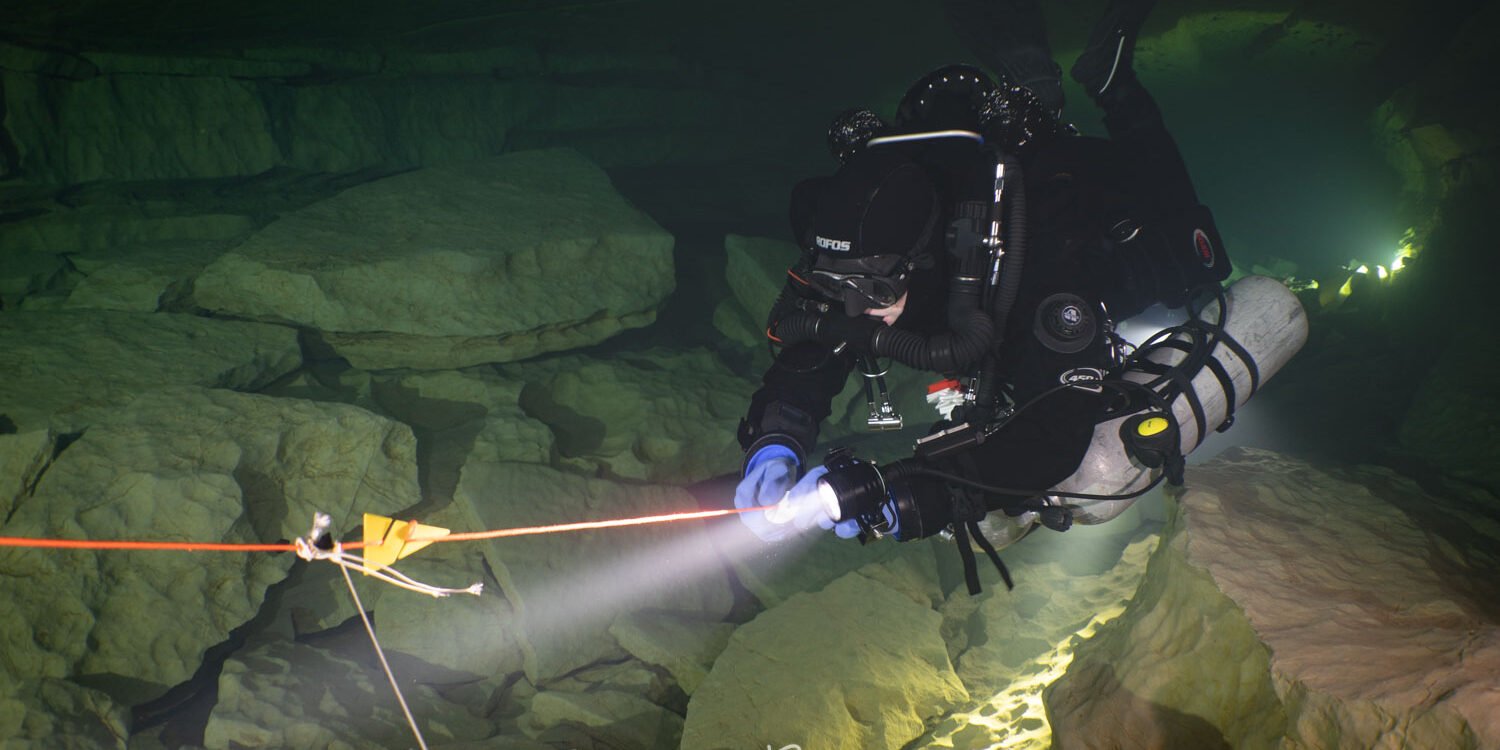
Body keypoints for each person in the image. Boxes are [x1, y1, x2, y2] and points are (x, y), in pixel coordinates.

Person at [733, 0, 1233, 591]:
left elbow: (1053, 437)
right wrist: (777, 439)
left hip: (1097, 229)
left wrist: (917, 493)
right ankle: (1036, 85)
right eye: (836, 286)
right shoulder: (860, 246)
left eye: (874, 289)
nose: (854, 312)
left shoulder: (1034, 271)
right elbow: (812, 348)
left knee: (1184, 240)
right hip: (968, 192)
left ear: (921, 264)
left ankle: (1112, 83)